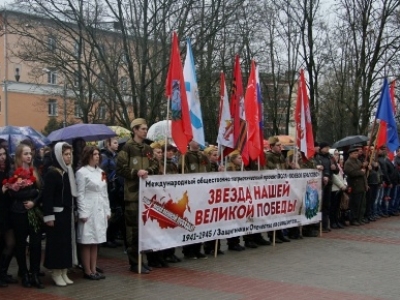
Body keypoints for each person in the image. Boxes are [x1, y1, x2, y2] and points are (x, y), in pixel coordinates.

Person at [116, 118, 159, 274]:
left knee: (145, 229)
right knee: (133, 230)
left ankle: (143, 259)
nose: (145, 131)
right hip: (132, 196)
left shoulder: (147, 148)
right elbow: (120, 168)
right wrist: (136, 173)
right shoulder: (127, 148)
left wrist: (150, 171)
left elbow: (155, 164)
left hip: (147, 196)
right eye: (142, 128)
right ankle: (134, 262)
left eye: (146, 128)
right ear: (134, 130)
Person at [7, 143, 43, 288]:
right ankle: (24, 273)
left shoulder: (34, 171)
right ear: (19, 156)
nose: (29, 156)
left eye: (30, 153)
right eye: (26, 153)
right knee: (21, 245)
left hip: (33, 211)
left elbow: (42, 190)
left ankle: (35, 273)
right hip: (19, 212)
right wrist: (32, 193)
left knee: (36, 243)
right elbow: (14, 193)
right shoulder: (13, 172)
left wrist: (34, 201)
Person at [42, 142, 77, 287]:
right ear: (58, 155)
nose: (68, 157)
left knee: (65, 243)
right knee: (56, 244)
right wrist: (48, 216)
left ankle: (64, 270)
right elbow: (47, 197)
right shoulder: (52, 173)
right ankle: (55, 272)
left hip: (66, 212)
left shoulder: (68, 171)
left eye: (70, 154)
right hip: (56, 214)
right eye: (65, 154)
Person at [76, 146, 110, 280]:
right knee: (87, 240)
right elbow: (80, 194)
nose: (97, 156)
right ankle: (87, 270)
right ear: (87, 156)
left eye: (98, 154)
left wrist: (107, 210)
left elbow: (104, 192)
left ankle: (94, 269)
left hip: (100, 208)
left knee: (96, 240)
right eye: (94, 154)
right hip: (88, 209)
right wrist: (83, 212)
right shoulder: (82, 172)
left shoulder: (101, 172)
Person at [178, 140, 209, 259]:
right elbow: (181, 171)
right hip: (190, 194)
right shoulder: (185, 156)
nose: (197, 142)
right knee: (189, 222)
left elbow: (210, 171)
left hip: (202, 194)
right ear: (189, 142)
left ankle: (197, 248)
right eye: (194, 140)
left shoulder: (203, 156)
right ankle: (188, 251)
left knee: (200, 223)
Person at [264, 136, 290, 243]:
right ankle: (272, 234)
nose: (280, 147)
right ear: (271, 146)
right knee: (272, 213)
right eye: (278, 145)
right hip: (272, 187)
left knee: (280, 212)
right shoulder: (268, 156)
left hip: (281, 187)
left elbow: (284, 169)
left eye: (280, 145)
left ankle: (280, 233)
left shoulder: (281, 156)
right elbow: (269, 170)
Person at [100, 137, 124, 248]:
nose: (117, 144)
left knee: (117, 213)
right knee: (111, 213)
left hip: (117, 188)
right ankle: (107, 238)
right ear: (108, 144)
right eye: (115, 143)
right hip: (110, 188)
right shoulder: (105, 157)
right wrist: (110, 179)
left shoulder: (116, 156)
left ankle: (112, 236)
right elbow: (103, 172)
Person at [0, 146, 17, 287]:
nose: (2, 157)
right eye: (0, 155)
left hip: (8, 213)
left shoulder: (7, 172)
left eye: (4, 154)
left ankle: (3, 271)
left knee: (11, 243)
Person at [314, 142, 339, 232]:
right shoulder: (317, 157)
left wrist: (334, 168)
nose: (327, 149)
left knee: (327, 205)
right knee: (319, 205)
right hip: (319, 183)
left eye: (328, 147)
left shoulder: (330, 157)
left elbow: (337, 170)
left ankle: (325, 224)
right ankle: (317, 225)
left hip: (329, 182)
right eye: (326, 147)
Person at [225, 150, 247, 251]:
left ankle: (236, 241)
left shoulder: (241, 167)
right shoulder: (230, 168)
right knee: (232, 220)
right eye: (239, 158)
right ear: (233, 159)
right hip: (232, 197)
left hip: (240, 196)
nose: (241, 159)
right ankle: (232, 243)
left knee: (238, 220)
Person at [344, 146, 368, 226]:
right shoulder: (348, 163)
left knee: (362, 203)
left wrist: (365, 166)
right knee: (355, 204)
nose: (357, 154)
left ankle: (359, 218)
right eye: (355, 153)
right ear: (350, 154)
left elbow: (363, 171)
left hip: (362, 185)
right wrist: (361, 171)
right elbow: (351, 173)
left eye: (357, 153)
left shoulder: (358, 161)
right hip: (355, 185)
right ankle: (353, 219)